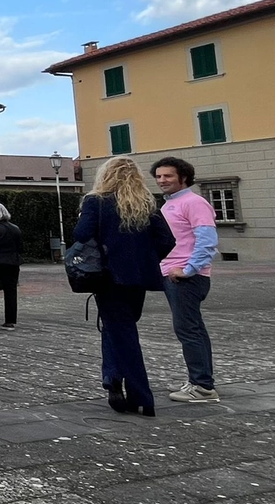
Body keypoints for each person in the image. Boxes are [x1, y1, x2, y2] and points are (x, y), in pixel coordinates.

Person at [74, 157, 175, 417]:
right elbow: (166, 240)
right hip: (138, 278)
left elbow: (81, 236)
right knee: (119, 329)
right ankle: (112, 379)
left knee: (124, 334)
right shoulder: (146, 203)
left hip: (108, 277)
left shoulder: (96, 201)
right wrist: (145, 261)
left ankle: (142, 396)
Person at [152, 156, 221, 403]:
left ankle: (202, 387)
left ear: (184, 177)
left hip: (185, 279)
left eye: (167, 176)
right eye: (159, 176)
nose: (162, 180)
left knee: (189, 330)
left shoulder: (193, 202)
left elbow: (207, 240)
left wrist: (188, 270)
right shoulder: (169, 204)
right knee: (192, 330)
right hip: (175, 275)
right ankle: (200, 381)